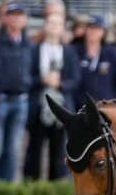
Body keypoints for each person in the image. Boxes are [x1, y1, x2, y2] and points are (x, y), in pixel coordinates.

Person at [24, 10, 80, 180]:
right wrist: (42, 80)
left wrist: (60, 84)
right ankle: (31, 187)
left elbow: (75, 79)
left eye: (58, 24)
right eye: (51, 23)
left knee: (58, 153)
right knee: (34, 150)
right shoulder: (34, 50)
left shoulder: (69, 51)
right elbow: (26, 77)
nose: (54, 27)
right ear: (45, 26)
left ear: (63, 29)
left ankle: (53, 188)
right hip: (38, 106)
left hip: (60, 109)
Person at [0, 2, 34, 181]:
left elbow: (33, 70)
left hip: (21, 100)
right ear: (5, 18)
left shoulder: (29, 44)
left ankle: (8, 189)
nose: (16, 18)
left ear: (25, 19)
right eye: (13, 14)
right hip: (0, 99)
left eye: (20, 15)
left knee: (13, 150)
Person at [75, 15, 116, 105]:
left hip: (106, 106)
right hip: (79, 105)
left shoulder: (111, 53)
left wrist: (115, 103)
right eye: (90, 28)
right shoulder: (75, 50)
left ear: (104, 32)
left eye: (97, 28)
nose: (93, 32)